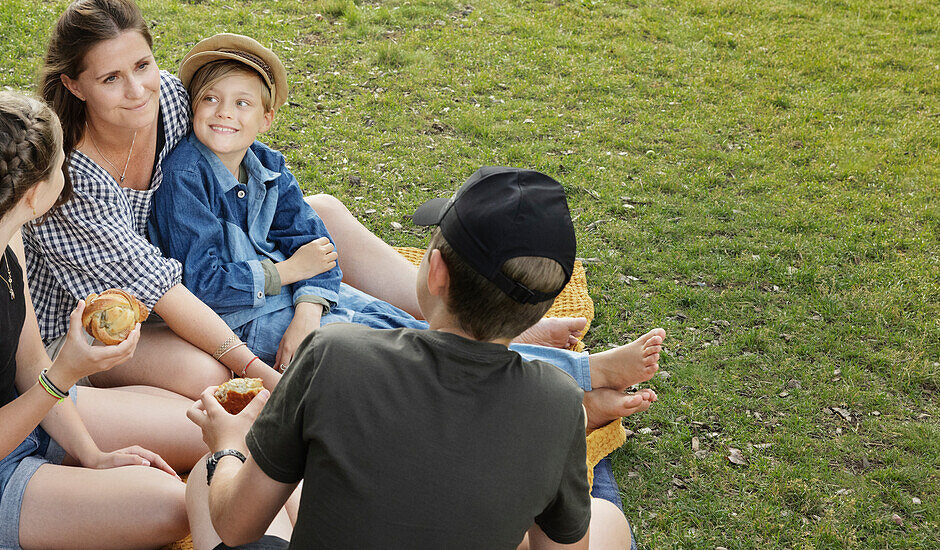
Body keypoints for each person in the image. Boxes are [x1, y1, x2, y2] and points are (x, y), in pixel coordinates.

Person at [23, 0, 593, 398]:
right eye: (110, 79)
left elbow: (253, 182)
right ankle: (447, 367)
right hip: (114, 325)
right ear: (73, 85)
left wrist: (307, 294)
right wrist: (260, 362)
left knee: (322, 213)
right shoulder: (71, 179)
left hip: (208, 274)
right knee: (217, 381)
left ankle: (466, 325)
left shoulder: (174, 100)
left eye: (142, 65)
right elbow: (167, 292)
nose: (137, 89)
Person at [148, 33, 667, 388]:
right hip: (243, 325)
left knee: (415, 333)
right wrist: (288, 273)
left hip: (295, 310)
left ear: (267, 117)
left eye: (242, 103)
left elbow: (320, 251)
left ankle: (558, 373)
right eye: (211, 99)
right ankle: (576, 378)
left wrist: (309, 307)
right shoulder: (183, 178)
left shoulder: (268, 164)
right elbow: (202, 285)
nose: (224, 113)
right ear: (193, 105)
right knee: (405, 358)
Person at [184, 167, 639, 549]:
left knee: (209, 483)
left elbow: (234, 525)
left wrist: (228, 442)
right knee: (605, 518)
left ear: (436, 271)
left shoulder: (332, 354)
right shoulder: (559, 404)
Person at [0, 93, 205, 550]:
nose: (66, 176)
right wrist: (68, 371)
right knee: (174, 505)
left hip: (16, 419)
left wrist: (92, 455)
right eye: (60, 169)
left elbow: (30, 361)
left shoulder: (3, 236)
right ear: (33, 194)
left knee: (203, 426)